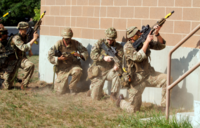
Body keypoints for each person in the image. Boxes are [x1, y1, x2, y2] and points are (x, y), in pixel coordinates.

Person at [118, 26, 169, 112]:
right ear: (131, 37)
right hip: (136, 80)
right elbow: (137, 57)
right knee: (134, 109)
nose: (140, 34)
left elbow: (161, 46)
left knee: (167, 79)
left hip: (148, 75)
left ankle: (164, 107)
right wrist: (147, 42)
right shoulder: (127, 47)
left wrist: (157, 34)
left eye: (139, 32)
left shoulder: (143, 42)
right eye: (137, 33)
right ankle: (120, 102)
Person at [48, 27, 88, 94]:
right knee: (59, 92)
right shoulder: (58, 44)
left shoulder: (75, 43)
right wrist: (59, 58)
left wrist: (79, 55)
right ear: (63, 37)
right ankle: (63, 87)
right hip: (62, 69)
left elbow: (85, 52)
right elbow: (49, 56)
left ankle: (72, 87)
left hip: (73, 66)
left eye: (69, 38)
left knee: (78, 71)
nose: (68, 40)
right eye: (66, 39)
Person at [88, 27, 123, 101]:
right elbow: (92, 54)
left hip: (110, 71)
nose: (110, 41)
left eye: (112, 39)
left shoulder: (118, 47)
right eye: (108, 39)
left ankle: (113, 95)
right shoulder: (100, 43)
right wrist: (103, 57)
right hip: (99, 72)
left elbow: (120, 59)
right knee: (95, 98)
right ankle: (93, 89)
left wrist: (116, 65)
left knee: (117, 74)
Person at [1, 21, 38, 90]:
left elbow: (27, 43)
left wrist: (30, 51)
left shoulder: (25, 37)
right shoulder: (16, 38)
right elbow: (23, 47)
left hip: (20, 59)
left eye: (27, 29)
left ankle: (24, 85)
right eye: (25, 29)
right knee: (6, 87)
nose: (26, 30)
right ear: (20, 29)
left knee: (30, 65)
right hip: (12, 62)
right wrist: (34, 39)